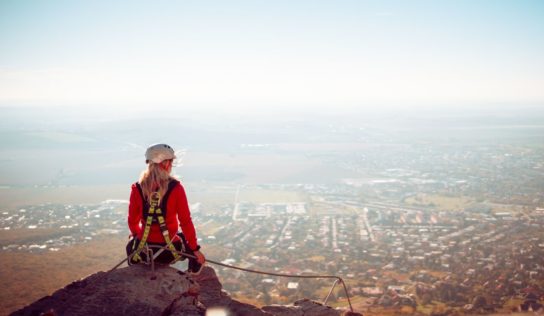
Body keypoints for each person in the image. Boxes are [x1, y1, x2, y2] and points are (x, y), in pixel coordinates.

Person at [127, 143, 205, 275]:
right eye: (171, 162)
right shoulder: (176, 188)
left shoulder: (137, 188)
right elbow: (185, 222)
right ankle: (191, 273)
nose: (171, 166)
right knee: (186, 242)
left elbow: (132, 221)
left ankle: (136, 270)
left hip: (144, 250)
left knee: (130, 245)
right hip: (170, 251)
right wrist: (195, 250)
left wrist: (137, 235)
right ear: (165, 163)